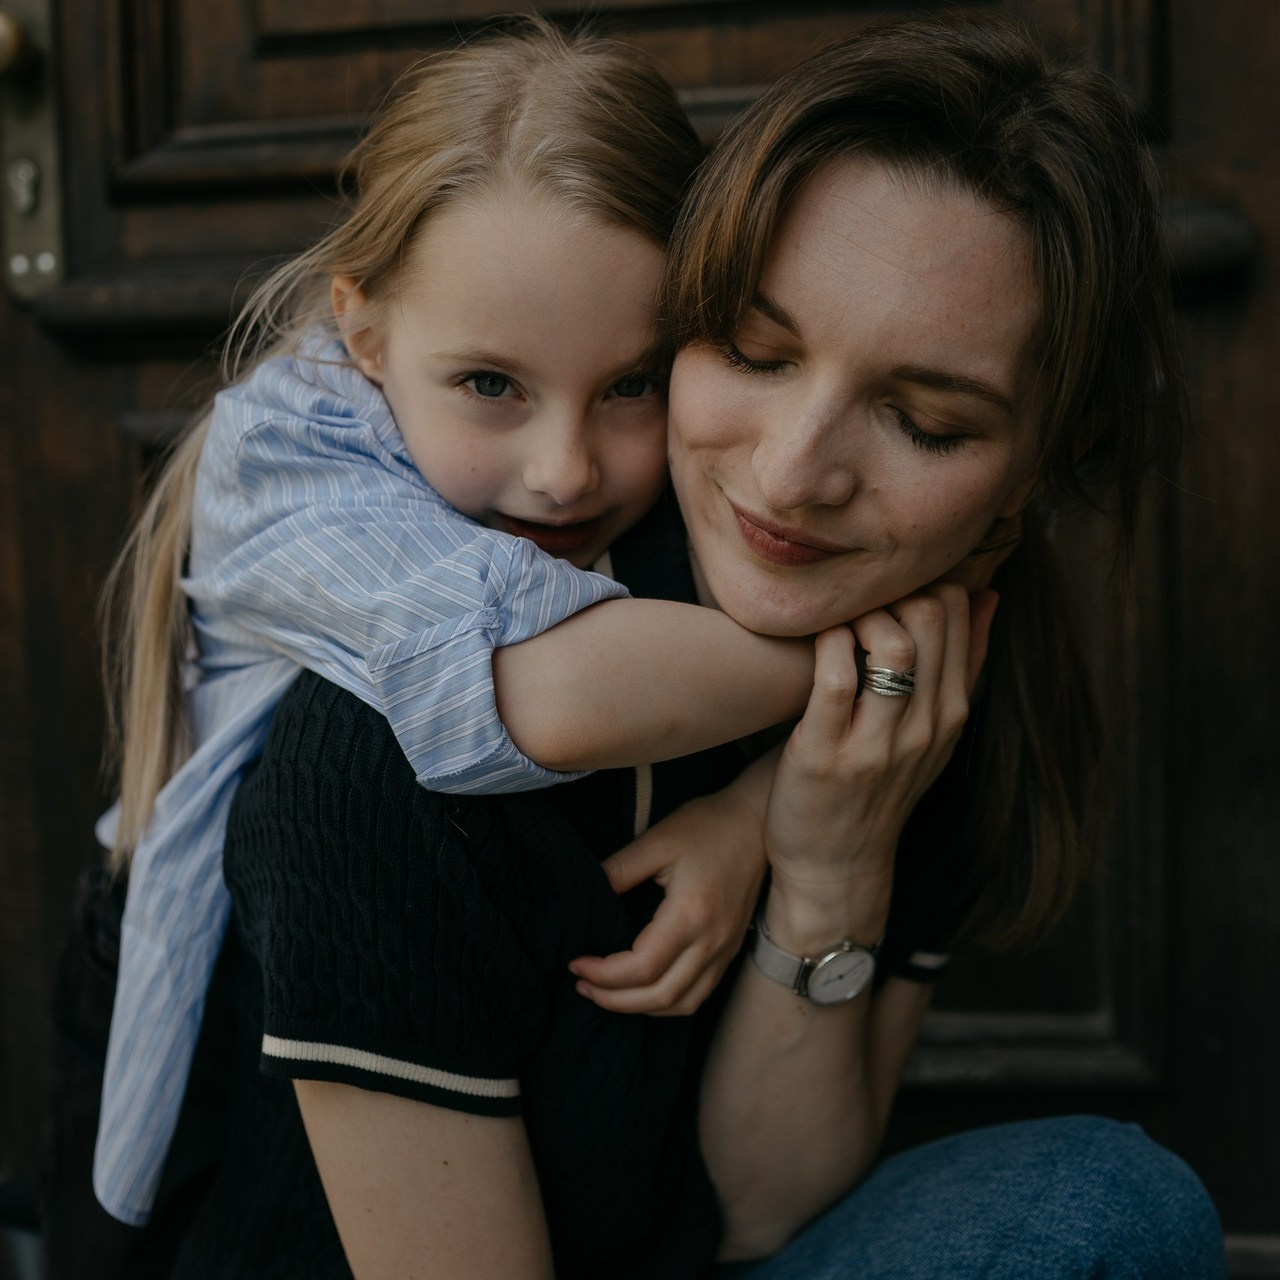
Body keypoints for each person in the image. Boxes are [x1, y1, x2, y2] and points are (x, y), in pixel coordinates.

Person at [48, 11, 1226, 1278]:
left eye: (924, 420)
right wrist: (833, 691)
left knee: (1106, 1201)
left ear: (1023, 478)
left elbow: (767, 1210)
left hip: (673, 1240)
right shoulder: (404, 720)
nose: (791, 473)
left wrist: (821, 850)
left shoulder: (913, 663)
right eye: (756, 353)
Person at [88, 17, 828, 1235]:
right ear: (365, 335)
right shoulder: (282, 460)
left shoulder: (686, 483)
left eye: (630, 383)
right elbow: (539, 695)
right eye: (492, 385)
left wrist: (757, 813)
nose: (564, 471)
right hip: (196, 977)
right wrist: (864, 644)